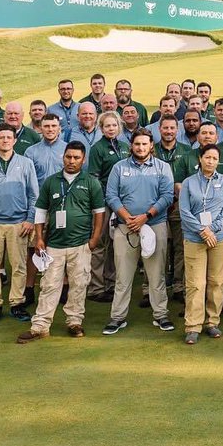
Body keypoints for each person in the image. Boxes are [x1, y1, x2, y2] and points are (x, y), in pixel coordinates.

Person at [17, 142, 106, 343]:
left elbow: (99, 214)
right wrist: (39, 238)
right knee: (49, 284)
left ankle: (74, 321)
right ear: (63, 157)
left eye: (76, 158)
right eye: (68, 157)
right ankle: (40, 325)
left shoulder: (91, 182)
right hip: (54, 244)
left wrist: (94, 239)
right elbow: (40, 212)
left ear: (83, 160)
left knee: (79, 283)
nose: (71, 161)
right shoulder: (51, 182)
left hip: (81, 243)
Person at [103, 129, 175, 335]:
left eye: (145, 144)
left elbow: (167, 196)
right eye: (137, 144)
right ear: (131, 146)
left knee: (156, 275)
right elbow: (112, 196)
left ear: (151, 146)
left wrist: (146, 216)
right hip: (126, 227)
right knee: (123, 276)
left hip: (155, 224)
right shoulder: (119, 167)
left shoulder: (163, 168)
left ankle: (161, 315)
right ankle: (117, 317)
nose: (141, 148)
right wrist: (128, 218)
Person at [0, 126, 39, 324]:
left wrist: (30, 219)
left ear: (14, 140)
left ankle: (17, 303)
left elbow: (33, 194)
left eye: (8, 137)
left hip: (19, 223)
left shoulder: (26, 163)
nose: (5, 141)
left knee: (19, 265)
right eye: (1, 137)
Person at [178, 145, 223, 344]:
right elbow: (184, 211)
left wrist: (213, 229)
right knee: (195, 283)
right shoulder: (188, 183)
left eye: (214, 158)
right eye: (207, 157)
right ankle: (193, 325)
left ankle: (212, 322)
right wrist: (202, 231)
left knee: (217, 281)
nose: (211, 161)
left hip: (220, 238)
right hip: (195, 238)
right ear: (200, 159)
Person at [85, 111, 127, 303]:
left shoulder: (126, 147)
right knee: (100, 244)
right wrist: (106, 199)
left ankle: (111, 283)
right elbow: (93, 177)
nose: (111, 128)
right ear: (101, 128)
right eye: (107, 126)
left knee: (115, 244)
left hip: (122, 202)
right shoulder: (97, 148)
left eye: (114, 125)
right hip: (104, 202)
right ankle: (96, 287)